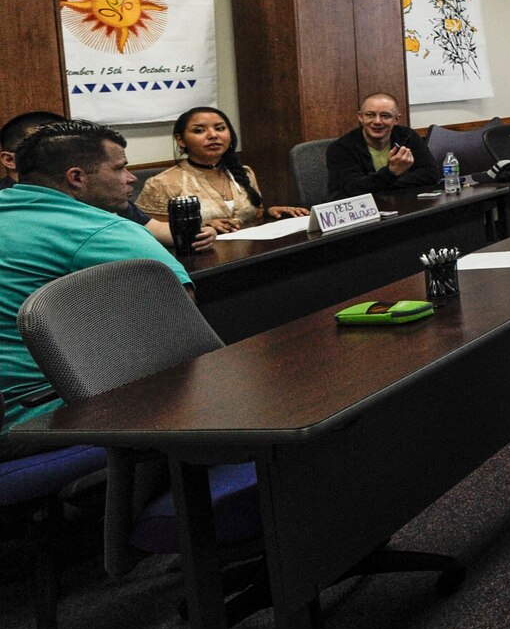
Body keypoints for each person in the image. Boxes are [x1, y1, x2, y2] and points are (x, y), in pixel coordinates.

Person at [1, 121, 193, 450]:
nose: (131, 178)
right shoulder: (99, 229)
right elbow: (182, 323)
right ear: (76, 177)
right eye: (120, 167)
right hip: (42, 415)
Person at [2, 109, 212, 252]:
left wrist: (197, 232)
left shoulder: (99, 192)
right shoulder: (12, 206)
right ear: (9, 160)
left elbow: (155, 230)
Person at [136, 106, 309, 233]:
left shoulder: (244, 172)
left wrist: (270, 211)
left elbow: (252, 216)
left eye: (220, 128)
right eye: (199, 130)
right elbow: (150, 234)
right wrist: (201, 226)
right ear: (181, 140)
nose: (213, 135)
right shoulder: (162, 183)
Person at [326, 93, 441, 198]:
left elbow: (431, 173)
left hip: (401, 204)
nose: (377, 121)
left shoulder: (407, 136)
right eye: (370, 115)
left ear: (396, 119)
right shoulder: (341, 148)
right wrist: (391, 173)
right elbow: (353, 188)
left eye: (385, 116)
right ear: (360, 117)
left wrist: (386, 182)